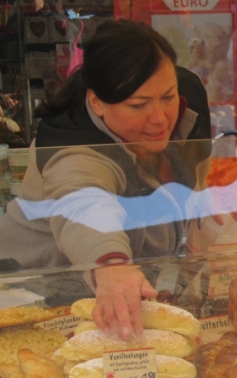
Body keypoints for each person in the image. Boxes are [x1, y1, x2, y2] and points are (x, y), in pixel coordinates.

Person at [0, 20, 215, 340]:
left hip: (124, 296)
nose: (159, 118)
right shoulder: (76, 152)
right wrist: (110, 264)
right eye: (137, 105)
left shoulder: (187, 100)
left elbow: (192, 183)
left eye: (168, 96)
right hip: (38, 301)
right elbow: (84, 205)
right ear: (97, 101)